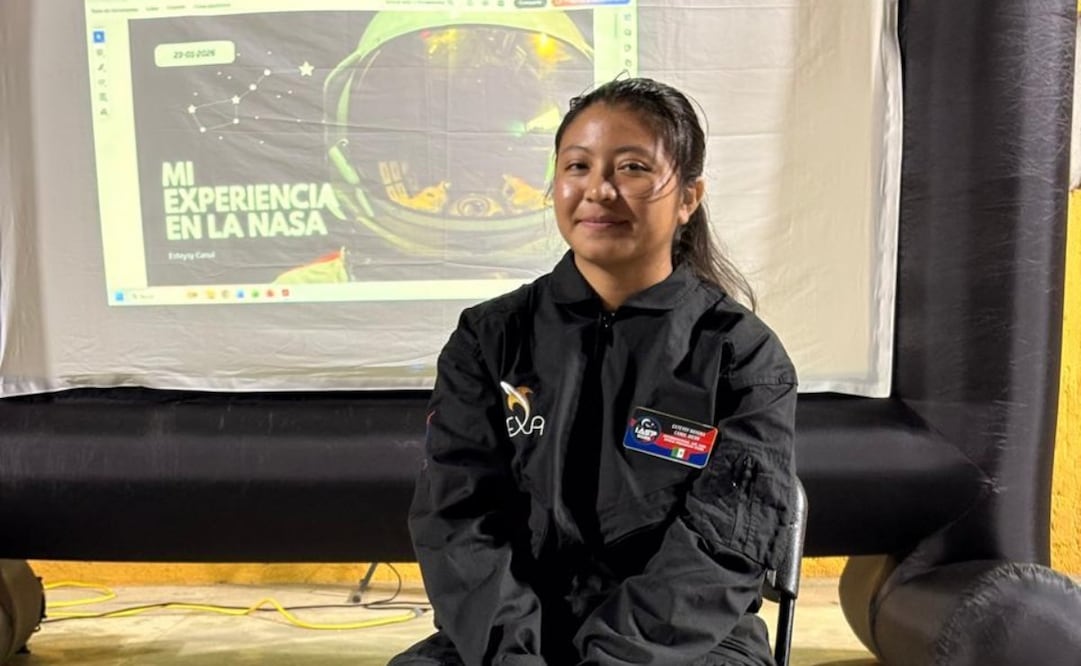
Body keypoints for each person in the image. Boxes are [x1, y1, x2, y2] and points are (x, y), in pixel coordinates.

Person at [389, 77, 797, 666]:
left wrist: (614, 657)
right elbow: (457, 519)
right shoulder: (488, 338)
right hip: (508, 641)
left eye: (632, 168)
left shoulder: (742, 355)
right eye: (577, 166)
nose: (598, 190)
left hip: (682, 647)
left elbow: (724, 546)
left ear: (688, 197)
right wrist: (515, 654)